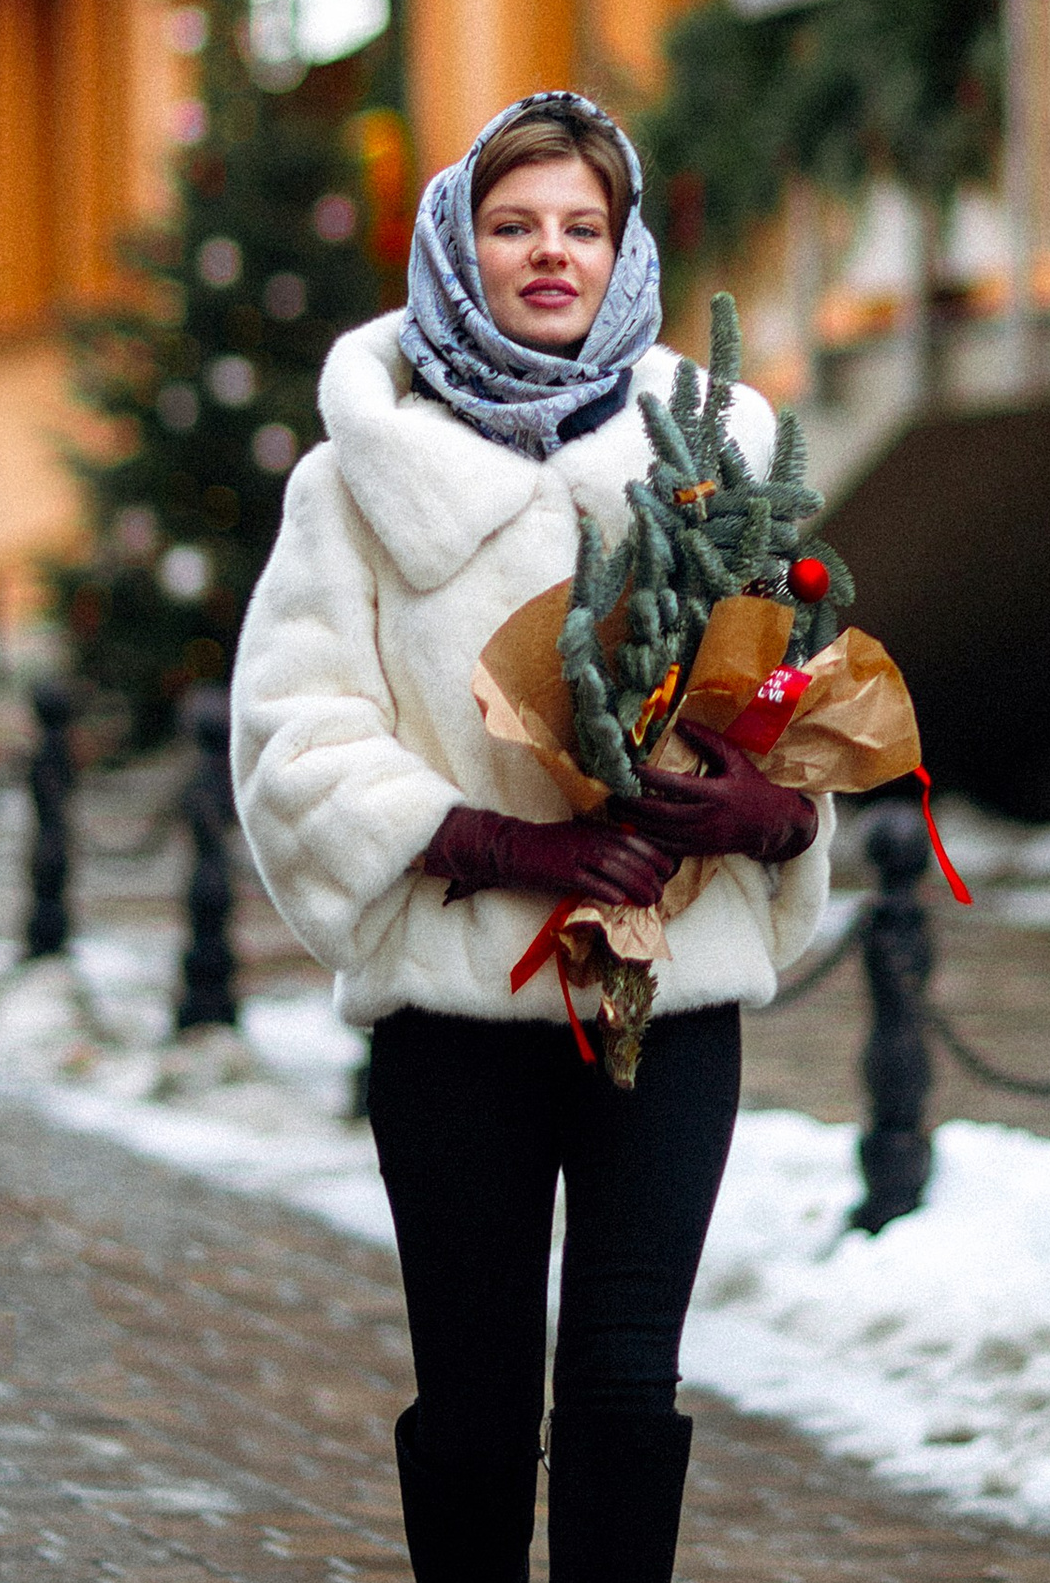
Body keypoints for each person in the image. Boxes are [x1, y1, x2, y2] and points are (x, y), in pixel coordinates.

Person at [231, 91, 829, 1583]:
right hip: (460, 1014)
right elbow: (295, 738)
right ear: (459, 247)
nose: (549, 255)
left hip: (665, 999)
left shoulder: (719, 457)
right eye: (514, 228)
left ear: (624, 254)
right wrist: (510, 851)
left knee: (628, 1390)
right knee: (482, 1411)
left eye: (583, 228)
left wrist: (770, 811)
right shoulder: (352, 482)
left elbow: (804, 693)